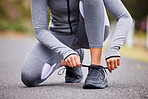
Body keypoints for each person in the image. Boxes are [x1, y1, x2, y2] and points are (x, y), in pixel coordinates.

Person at [21, 0, 132, 89]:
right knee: (29, 76)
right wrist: (66, 52)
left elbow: (124, 17)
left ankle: (96, 68)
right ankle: (71, 59)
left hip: (91, 32)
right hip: (60, 36)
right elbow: (39, 30)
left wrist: (113, 47)